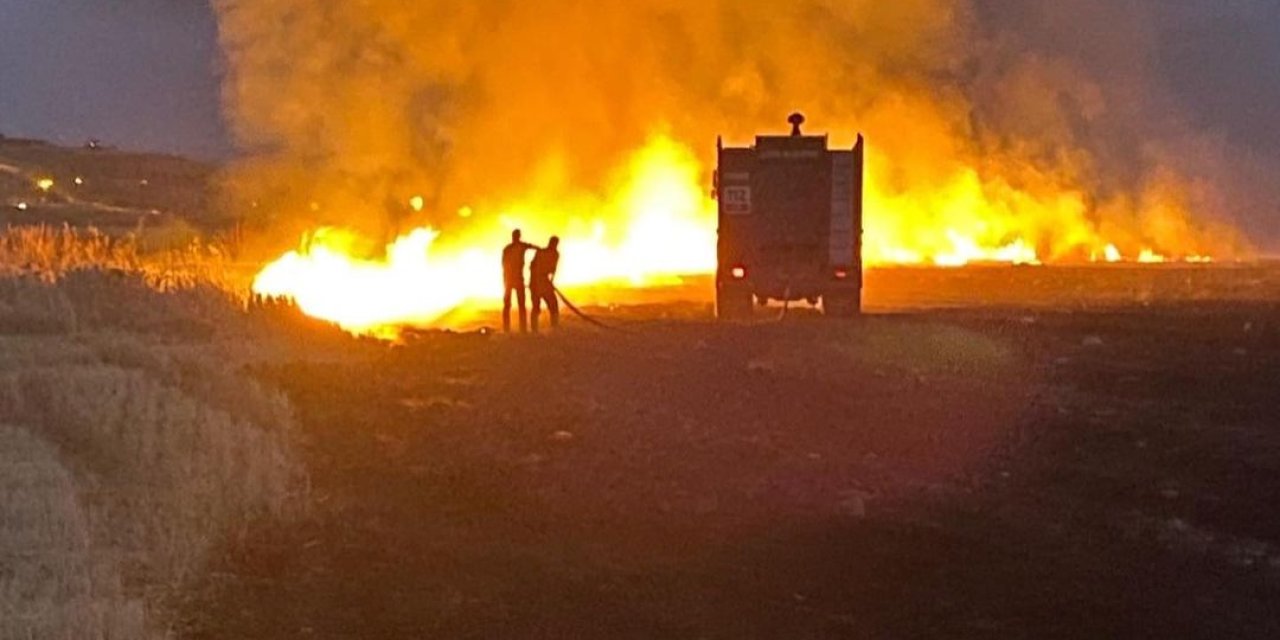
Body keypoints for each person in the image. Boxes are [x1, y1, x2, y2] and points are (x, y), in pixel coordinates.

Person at [501, 229, 537, 333]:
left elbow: (503, 265)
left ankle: (514, 329)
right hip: (514, 279)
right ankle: (519, 329)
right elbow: (503, 265)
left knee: (514, 305)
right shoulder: (517, 247)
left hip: (512, 280)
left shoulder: (509, 248)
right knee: (516, 305)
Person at [530, 236, 561, 333]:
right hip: (536, 282)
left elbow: (553, 269)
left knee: (553, 305)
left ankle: (554, 327)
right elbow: (532, 266)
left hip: (544, 282)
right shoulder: (542, 252)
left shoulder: (555, 254)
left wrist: (550, 280)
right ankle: (534, 330)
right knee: (537, 307)